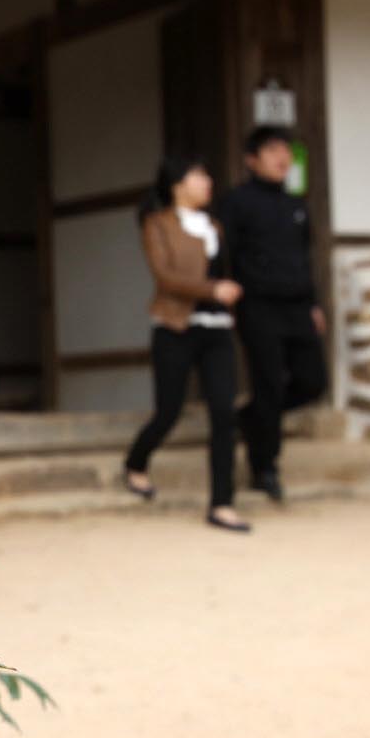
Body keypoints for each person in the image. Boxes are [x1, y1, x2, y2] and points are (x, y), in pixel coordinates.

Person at [122, 155, 250, 533]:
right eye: (199, 175)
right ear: (178, 183)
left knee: (224, 414)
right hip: (175, 327)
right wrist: (213, 289)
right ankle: (136, 462)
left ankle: (222, 503)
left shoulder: (215, 226)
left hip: (217, 328)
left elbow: (226, 270)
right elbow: (165, 276)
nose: (207, 181)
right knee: (169, 411)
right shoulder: (157, 224)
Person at [219, 125, 327, 503]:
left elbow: (304, 258)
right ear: (252, 160)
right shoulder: (237, 202)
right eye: (272, 150)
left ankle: (250, 418)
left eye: (286, 151)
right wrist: (227, 300)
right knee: (267, 384)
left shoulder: (296, 205)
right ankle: (264, 467)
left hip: (297, 305)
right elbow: (224, 254)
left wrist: (314, 304)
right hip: (258, 305)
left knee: (313, 381)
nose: (282, 157)